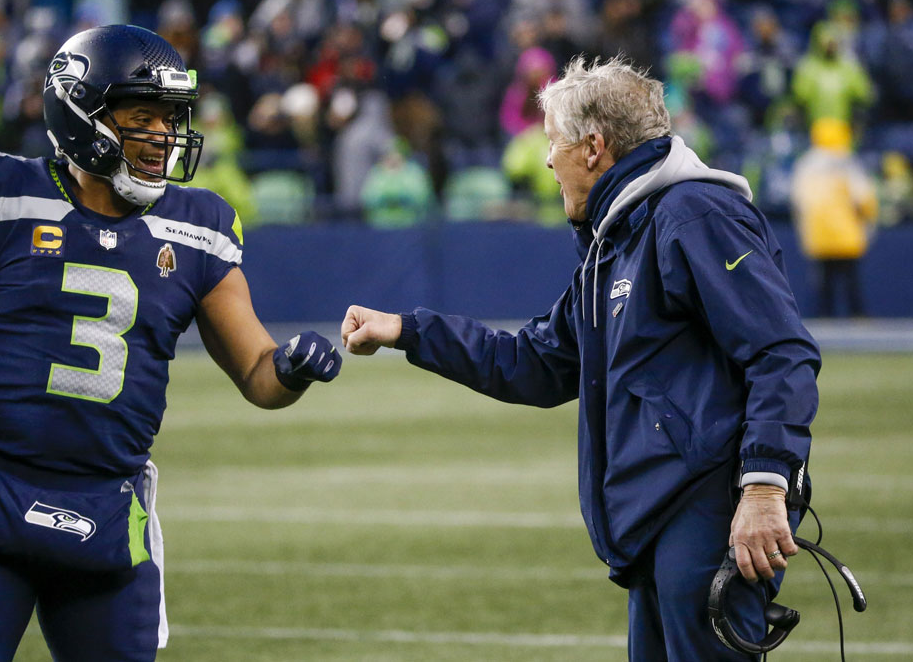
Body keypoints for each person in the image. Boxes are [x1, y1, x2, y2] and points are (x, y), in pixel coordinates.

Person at [0, 25, 341, 660]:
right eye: (141, 116)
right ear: (80, 113)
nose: (161, 136)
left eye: (170, 118)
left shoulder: (197, 228)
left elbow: (259, 374)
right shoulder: (3, 199)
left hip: (108, 510)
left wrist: (290, 368)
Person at [342, 56, 820, 660]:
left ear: (593, 147)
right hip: (659, 518)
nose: (546, 160)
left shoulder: (694, 215)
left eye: (553, 143)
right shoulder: (618, 241)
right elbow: (534, 361)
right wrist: (409, 330)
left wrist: (764, 489)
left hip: (708, 511)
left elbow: (782, 352)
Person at [791, 117, 877, 317]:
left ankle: (824, 323)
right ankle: (859, 320)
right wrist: (868, 219)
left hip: (819, 233)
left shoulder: (806, 163)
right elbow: (863, 197)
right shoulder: (847, 161)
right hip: (847, 232)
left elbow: (798, 200)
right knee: (851, 282)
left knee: (823, 284)